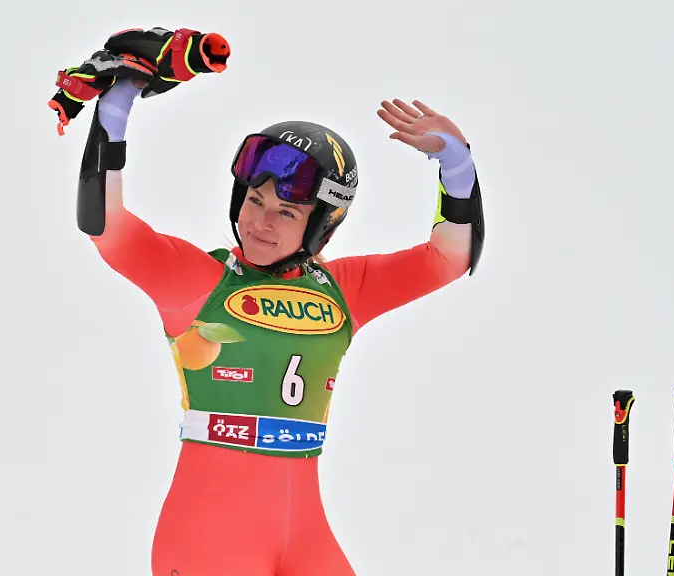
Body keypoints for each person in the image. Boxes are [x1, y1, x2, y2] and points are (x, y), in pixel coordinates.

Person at [49, 27, 485, 576]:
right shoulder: (200, 280)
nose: (259, 222)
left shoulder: (344, 291)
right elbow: (106, 227)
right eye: (255, 200)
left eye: (286, 213)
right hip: (208, 536)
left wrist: (456, 161)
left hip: (305, 537)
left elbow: (450, 257)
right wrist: (116, 108)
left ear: (321, 226)